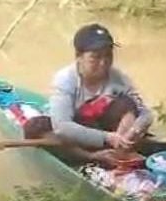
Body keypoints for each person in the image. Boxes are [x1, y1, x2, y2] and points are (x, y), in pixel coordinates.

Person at [48, 23, 153, 156]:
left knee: (127, 103)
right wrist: (106, 137)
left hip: (107, 132)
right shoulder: (65, 80)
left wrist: (135, 130)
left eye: (108, 56)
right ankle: (90, 157)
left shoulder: (119, 78)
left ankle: (120, 152)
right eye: (95, 57)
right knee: (37, 126)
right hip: (79, 135)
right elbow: (62, 127)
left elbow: (146, 114)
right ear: (79, 57)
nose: (103, 63)